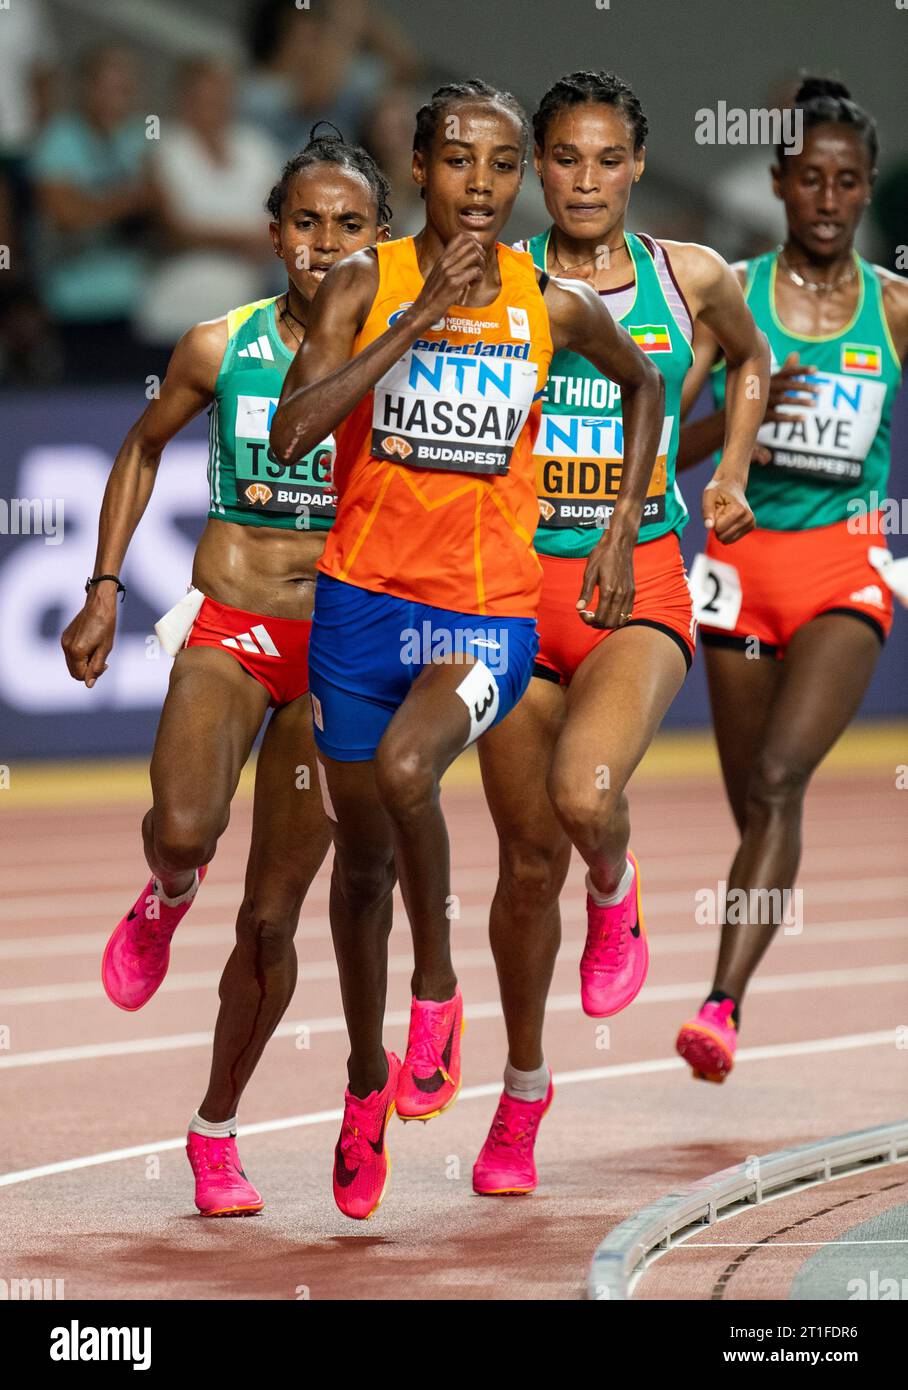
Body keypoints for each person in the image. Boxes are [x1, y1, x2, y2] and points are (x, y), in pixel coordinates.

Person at [269, 78, 664, 1220]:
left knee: (406, 771)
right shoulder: (363, 279)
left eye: (500, 166)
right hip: (356, 605)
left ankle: (435, 994)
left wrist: (620, 525)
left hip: (485, 608)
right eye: (457, 163)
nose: (482, 185)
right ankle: (358, 1087)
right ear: (421, 172)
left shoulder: (550, 300)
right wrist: (413, 322)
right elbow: (295, 432)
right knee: (358, 866)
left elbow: (643, 387)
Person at [61, 133, 392, 1215]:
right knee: (186, 827)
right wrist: (106, 585)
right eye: (306, 222)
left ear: (378, 240)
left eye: (348, 226)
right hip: (234, 625)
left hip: (337, 647)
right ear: (272, 230)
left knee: (270, 919)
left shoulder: (395, 357)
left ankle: (215, 1130)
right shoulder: (220, 344)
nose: (324, 244)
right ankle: (163, 892)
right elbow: (142, 444)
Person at [459, 70, 768, 1196]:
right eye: (562, 159)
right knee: (520, 865)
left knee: (584, 799)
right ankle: (522, 1094)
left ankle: (617, 875)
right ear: (536, 168)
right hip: (505, 595)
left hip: (634, 585)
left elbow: (751, 360)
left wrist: (726, 468)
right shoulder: (491, 282)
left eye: (605, 159)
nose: (583, 180)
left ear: (636, 166)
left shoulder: (689, 279)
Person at [674, 78, 908, 1083]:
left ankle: (718, 1006)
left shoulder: (894, 309)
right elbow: (668, 445)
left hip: (843, 567)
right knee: (756, 806)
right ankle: (751, 932)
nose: (825, 198)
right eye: (807, 178)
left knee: (777, 779)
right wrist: (748, 422)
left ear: (864, 195)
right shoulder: (731, 295)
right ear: (777, 183)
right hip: (737, 568)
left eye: (844, 182)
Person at [134, 59, 280, 347]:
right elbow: (175, 234)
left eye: (220, 94)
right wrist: (247, 239)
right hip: (180, 299)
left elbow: (282, 222)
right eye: (202, 95)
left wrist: (209, 234)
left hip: (250, 299)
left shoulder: (257, 147)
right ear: (183, 98)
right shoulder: (164, 150)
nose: (212, 103)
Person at [29, 46, 154, 382]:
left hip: (134, 302)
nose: (118, 99)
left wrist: (95, 205)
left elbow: (160, 204)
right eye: (108, 88)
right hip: (72, 304)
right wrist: (128, 201)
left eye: (125, 89)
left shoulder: (141, 136)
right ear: (86, 88)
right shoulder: (59, 138)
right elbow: (66, 216)